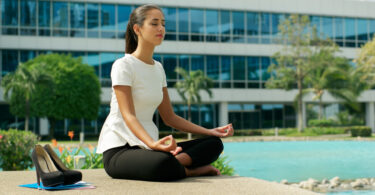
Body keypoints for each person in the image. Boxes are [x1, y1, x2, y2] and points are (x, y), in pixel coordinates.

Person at [96, 4, 234, 181]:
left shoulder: (158, 68)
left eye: (163, 23)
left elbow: (169, 117)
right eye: (154, 24)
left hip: (150, 150)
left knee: (213, 144)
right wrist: (152, 143)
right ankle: (189, 170)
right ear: (137, 29)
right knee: (160, 163)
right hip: (120, 149)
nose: (161, 28)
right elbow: (128, 115)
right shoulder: (123, 65)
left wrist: (210, 131)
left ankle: (176, 163)